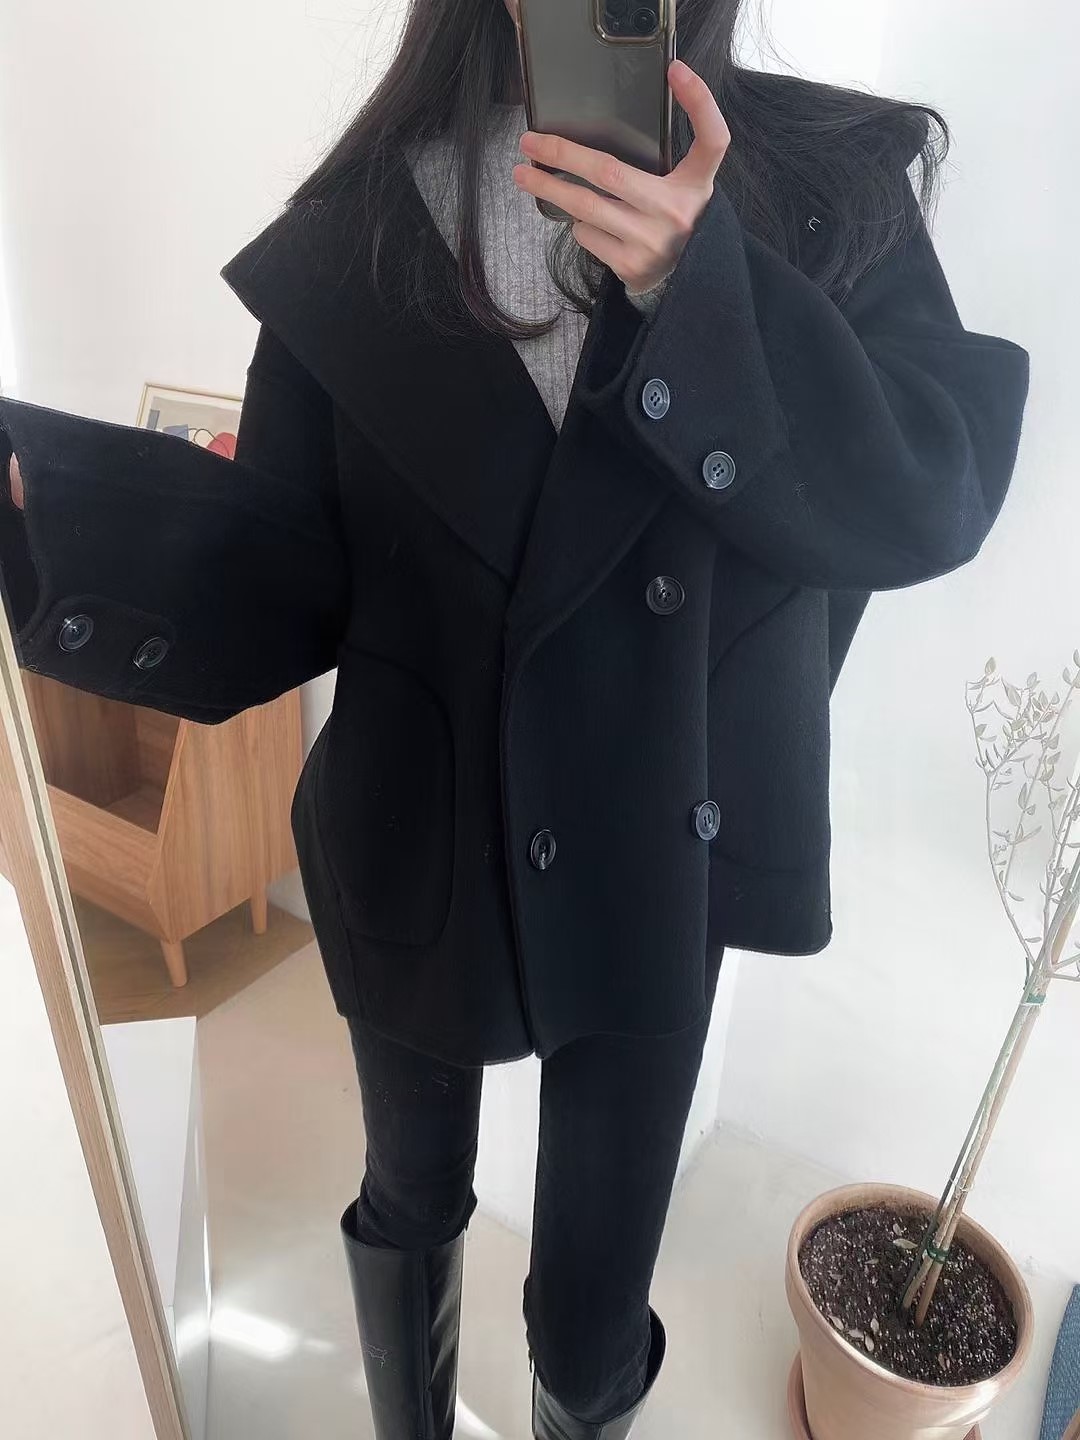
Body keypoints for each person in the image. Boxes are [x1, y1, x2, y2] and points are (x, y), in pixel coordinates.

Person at [1, 0, 1029, 1435]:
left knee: (597, 1288)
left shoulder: (822, 186)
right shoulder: (370, 220)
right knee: (410, 1190)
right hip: (419, 828)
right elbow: (285, 578)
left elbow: (925, 492)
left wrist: (700, 285)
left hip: (661, 845)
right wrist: (44, 508)